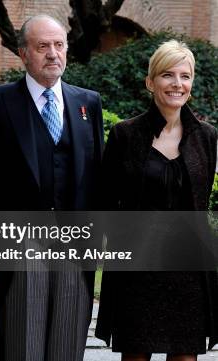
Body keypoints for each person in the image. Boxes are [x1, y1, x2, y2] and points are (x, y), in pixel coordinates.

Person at [0, 14, 104, 361]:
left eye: (58, 45)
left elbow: (95, 178)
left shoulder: (87, 103)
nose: (52, 53)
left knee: (66, 344)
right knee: (21, 342)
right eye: (42, 46)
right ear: (23, 53)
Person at [95, 40, 218, 361]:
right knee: (136, 354)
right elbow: (106, 202)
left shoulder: (207, 136)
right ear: (151, 82)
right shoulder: (125, 134)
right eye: (167, 75)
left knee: (185, 356)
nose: (177, 84)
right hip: (138, 270)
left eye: (185, 76)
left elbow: (201, 203)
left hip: (189, 269)